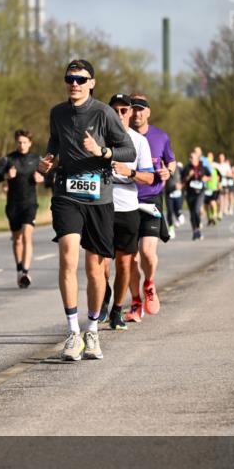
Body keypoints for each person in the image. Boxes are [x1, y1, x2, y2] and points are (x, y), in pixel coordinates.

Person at [36, 60, 135, 361]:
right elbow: (55, 141)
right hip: (67, 194)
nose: (74, 84)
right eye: (70, 78)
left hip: (99, 198)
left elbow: (128, 150)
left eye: (81, 79)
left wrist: (102, 151)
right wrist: (47, 159)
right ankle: (72, 333)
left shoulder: (104, 113)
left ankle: (91, 330)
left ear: (92, 83)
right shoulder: (57, 113)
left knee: (95, 268)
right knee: (68, 256)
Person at [102, 95, 155, 330]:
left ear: (131, 113)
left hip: (127, 207)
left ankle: (116, 310)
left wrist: (129, 172)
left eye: (124, 110)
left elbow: (150, 178)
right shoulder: (99, 138)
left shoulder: (139, 142)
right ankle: (104, 292)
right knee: (101, 263)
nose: (120, 115)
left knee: (124, 265)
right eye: (115, 110)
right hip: (102, 206)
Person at [125, 93, 175, 323]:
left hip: (151, 199)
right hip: (126, 200)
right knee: (130, 258)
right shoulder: (121, 136)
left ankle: (149, 284)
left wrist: (169, 171)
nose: (137, 113)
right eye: (133, 108)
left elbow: (171, 161)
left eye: (141, 108)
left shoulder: (160, 136)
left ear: (148, 112)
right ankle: (135, 302)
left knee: (147, 252)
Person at [0, 128, 44, 288]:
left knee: (27, 235)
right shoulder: (8, 159)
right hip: (13, 205)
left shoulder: (36, 159)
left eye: (25, 142)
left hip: (30, 204)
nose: (22, 145)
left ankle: (25, 272)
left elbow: (49, 176)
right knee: (17, 239)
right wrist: (6, 176)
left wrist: (41, 178)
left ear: (30, 143)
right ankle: (19, 270)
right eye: (19, 142)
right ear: (16, 143)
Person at [182, 147, 210, 241]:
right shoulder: (187, 168)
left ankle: (198, 228)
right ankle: (195, 231)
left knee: (197, 210)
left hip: (200, 192)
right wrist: (189, 175)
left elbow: (209, 175)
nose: (190, 159)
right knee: (192, 213)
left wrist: (206, 178)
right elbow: (183, 181)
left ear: (197, 159)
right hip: (190, 193)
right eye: (190, 158)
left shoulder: (202, 167)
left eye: (192, 158)